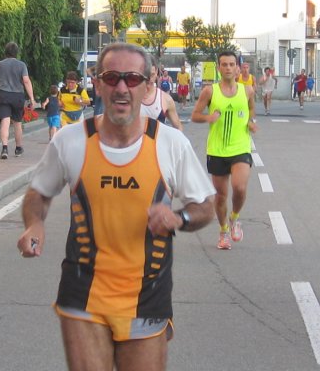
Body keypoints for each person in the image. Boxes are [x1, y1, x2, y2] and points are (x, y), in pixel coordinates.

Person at [17, 42, 215, 371]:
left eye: (132, 79)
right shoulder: (70, 140)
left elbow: (205, 205)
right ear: (97, 84)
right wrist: (34, 224)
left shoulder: (170, 144)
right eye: (111, 78)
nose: (121, 87)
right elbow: (38, 193)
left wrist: (178, 217)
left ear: (148, 87)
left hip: (147, 294)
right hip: (83, 292)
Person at [191, 50, 256, 250]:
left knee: (240, 187)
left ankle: (234, 218)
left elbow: (251, 109)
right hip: (217, 150)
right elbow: (195, 115)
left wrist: (251, 121)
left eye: (231, 64)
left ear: (237, 68)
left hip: (240, 147)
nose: (228, 68)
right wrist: (208, 118)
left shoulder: (247, 91)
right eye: (224, 64)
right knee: (221, 196)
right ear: (219, 68)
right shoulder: (210, 91)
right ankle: (223, 230)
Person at [0, 42, 37, 159]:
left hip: (4, 95)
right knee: (17, 123)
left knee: (5, 122)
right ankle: (18, 148)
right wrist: (32, 98)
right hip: (18, 96)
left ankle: (4, 148)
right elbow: (26, 81)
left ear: (5, 52)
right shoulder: (22, 65)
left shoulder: (0, 64)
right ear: (17, 53)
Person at [141, 59, 183, 130]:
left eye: (152, 74)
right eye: (146, 75)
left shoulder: (166, 99)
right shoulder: (131, 97)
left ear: (156, 72)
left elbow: (178, 127)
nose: (149, 79)